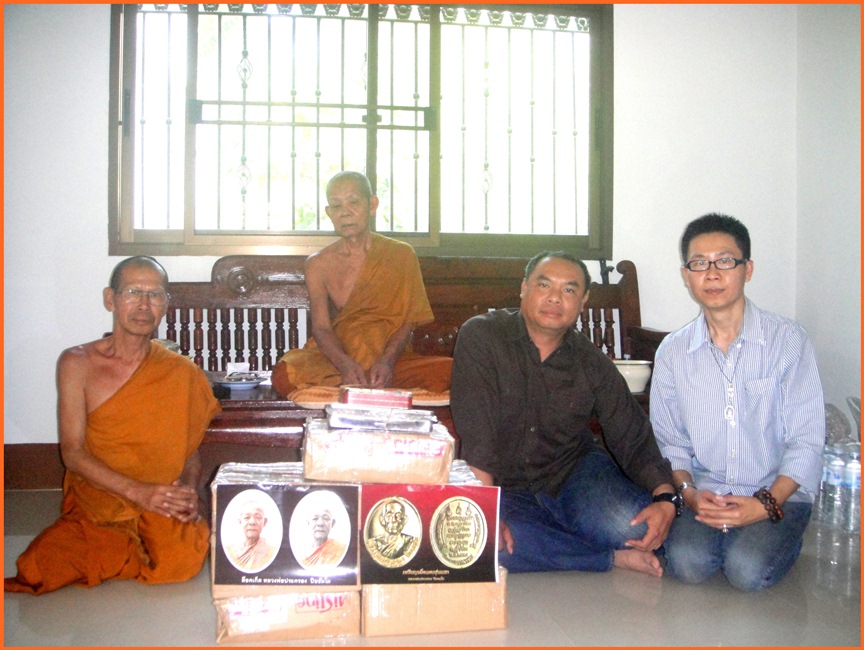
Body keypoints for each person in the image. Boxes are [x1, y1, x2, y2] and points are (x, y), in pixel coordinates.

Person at [450, 251, 679, 577]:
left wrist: (665, 496)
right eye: (544, 285)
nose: (555, 298)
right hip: (504, 485)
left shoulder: (591, 361)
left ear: (582, 301)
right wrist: (486, 509)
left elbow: (630, 430)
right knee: (476, 542)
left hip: (574, 475)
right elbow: (478, 436)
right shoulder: (482, 336)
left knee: (639, 531)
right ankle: (607, 557)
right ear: (524, 288)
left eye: (569, 290)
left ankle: (560, 538)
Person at [5, 256, 221, 595]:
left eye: (155, 295)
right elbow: (72, 453)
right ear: (111, 299)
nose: (144, 305)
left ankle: (124, 549)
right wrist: (137, 492)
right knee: (37, 567)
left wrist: (189, 493)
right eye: (133, 292)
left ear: (165, 304)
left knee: (181, 562)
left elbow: (190, 452)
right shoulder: (77, 363)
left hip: (159, 494)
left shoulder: (181, 372)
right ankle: (124, 546)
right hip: (103, 495)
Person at [650, 213, 824, 592]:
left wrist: (765, 504)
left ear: (748, 269)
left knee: (747, 570)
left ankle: (776, 535)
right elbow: (671, 441)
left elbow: (807, 439)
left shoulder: (788, 341)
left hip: (779, 490)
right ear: (686, 275)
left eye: (725, 261)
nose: (712, 274)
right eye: (699, 263)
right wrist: (690, 494)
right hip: (708, 491)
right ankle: (733, 536)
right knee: (688, 563)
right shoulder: (673, 352)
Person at [271, 171, 451, 397]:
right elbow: (321, 328)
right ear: (329, 213)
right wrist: (345, 364)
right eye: (336, 206)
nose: (345, 212)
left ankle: (357, 388)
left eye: (354, 202)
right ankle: (367, 387)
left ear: (372, 205)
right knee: (284, 373)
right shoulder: (318, 264)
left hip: (392, 359)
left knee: (451, 371)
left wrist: (386, 362)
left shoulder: (401, 255)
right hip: (340, 359)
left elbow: (408, 322)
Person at [226, 499, 278, 572]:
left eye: (258, 517)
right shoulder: (230, 551)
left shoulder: (271, 551)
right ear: (240, 521)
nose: (252, 522)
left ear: (265, 522)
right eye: (246, 517)